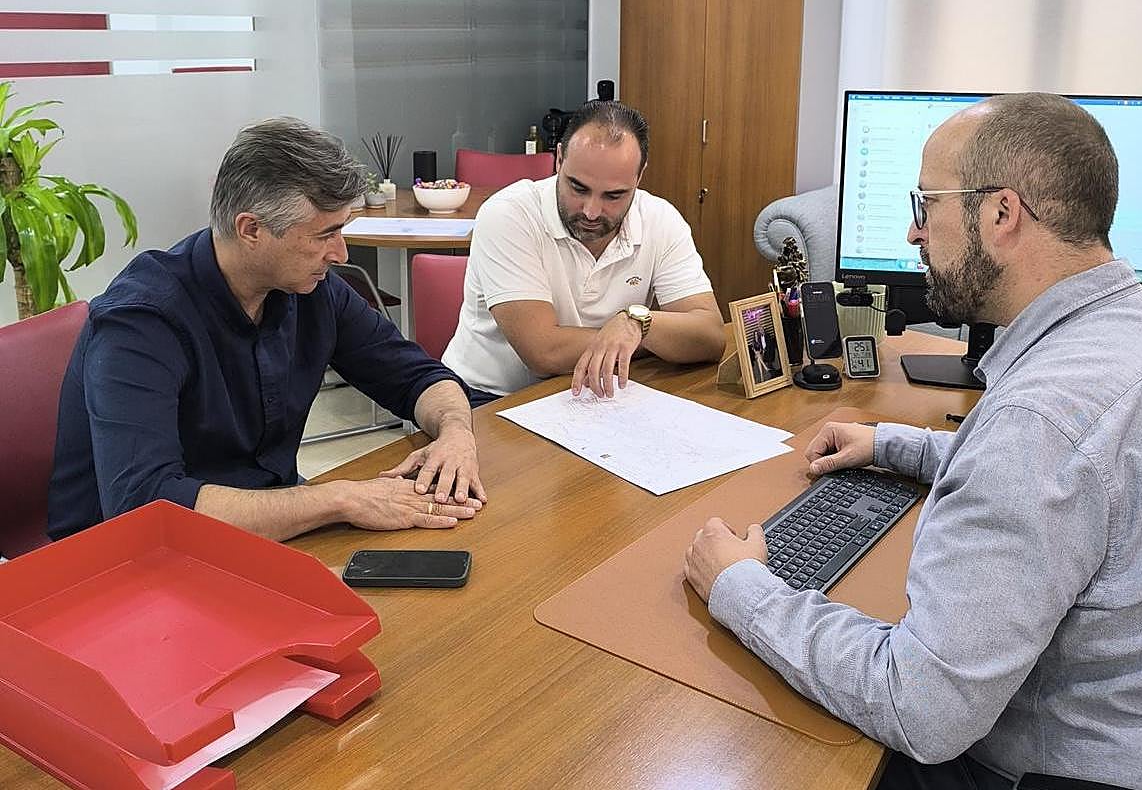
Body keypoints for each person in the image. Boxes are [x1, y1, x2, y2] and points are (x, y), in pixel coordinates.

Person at [683, 93, 1142, 788]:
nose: (911, 232)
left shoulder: (1038, 422)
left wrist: (742, 587)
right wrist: (896, 444)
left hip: (1052, 770)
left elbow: (919, 706)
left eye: (926, 204)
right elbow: (1085, 483)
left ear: (1000, 213)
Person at [48, 118, 487, 543]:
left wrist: (455, 434)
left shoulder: (310, 290)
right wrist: (337, 499)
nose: (340, 253)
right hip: (124, 564)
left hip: (262, 527)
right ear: (251, 229)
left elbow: (417, 377)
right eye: (325, 234)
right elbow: (146, 505)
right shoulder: (141, 322)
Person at [441, 100, 726, 404]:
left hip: (601, 392)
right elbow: (544, 353)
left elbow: (710, 335)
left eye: (614, 195)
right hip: (490, 397)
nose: (591, 212)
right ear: (559, 160)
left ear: (640, 176)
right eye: (578, 188)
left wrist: (636, 324)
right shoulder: (508, 214)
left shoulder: (660, 218)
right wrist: (640, 340)